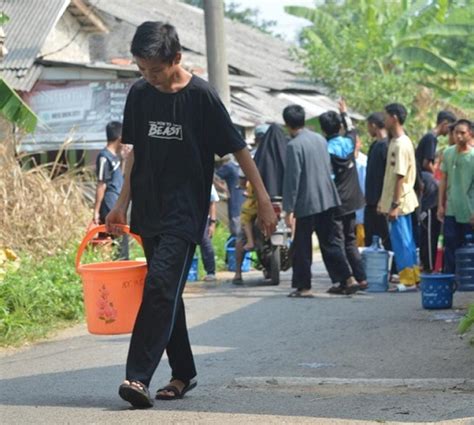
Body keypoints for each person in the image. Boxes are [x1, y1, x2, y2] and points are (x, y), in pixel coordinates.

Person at [105, 21, 277, 408]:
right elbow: (133, 155)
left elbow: (238, 149)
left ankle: (137, 376)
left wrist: (263, 199)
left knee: (161, 285)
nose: (147, 78)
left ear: (176, 59)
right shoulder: (139, 94)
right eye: (141, 70)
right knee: (168, 292)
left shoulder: (201, 97)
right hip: (148, 207)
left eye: (155, 71)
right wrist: (121, 204)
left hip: (185, 210)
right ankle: (183, 372)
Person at [282, 104, 358, 298]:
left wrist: (288, 210)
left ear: (287, 124)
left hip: (307, 202)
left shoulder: (294, 145)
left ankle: (303, 287)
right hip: (328, 198)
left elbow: (293, 179)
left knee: (302, 246)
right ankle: (347, 279)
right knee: (330, 241)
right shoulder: (319, 139)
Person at [319, 100, 367, 292]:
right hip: (353, 200)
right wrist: (344, 113)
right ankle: (361, 277)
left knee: (336, 241)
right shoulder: (349, 142)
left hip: (336, 202)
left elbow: (327, 177)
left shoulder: (325, 150)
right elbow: (352, 129)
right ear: (339, 126)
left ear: (323, 130)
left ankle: (346, 279)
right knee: (350, 239)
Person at [232, 123, 288, 284]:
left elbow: (243, 180)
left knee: (242, 234)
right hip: (283, 201)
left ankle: (237, 273)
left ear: (257, 139)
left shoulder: (251, 156)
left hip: (258, 203)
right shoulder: (286, 152)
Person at [378, 103, 419, 290]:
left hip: (400, 201)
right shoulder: (395, 142)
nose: (383, 120)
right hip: (398, 200)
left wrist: (394, 204)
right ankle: (412, 276)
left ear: (394, 117)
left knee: (402, 242)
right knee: (406, 240)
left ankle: (408, 280)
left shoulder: (401, 144)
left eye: (386, 116)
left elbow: (400, 176)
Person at [438, 119, 474, 274]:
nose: (459, 136)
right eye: (456, 133)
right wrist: (441, 204)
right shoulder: (448, 153)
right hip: (451, 207)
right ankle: (450, 277)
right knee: (450, 242)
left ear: (470, 134)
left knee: (468, 245)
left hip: (469, 208)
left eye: (462, 133)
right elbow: (443, 180)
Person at [93, 121, 129, 259]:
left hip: (117, 200)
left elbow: (121, 177)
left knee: (121, 240)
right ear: (120, 137)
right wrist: (96, 211)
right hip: (110, 203)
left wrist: (125, 159)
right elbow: (101, 184)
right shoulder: (104, 157)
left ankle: (122, 263)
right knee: (119, 238)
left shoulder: (115, 157)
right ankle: (120, 265)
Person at [364, 112, 391, 250]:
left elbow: (389, 175)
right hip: (371, 201)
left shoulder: (386, 146)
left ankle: (394, 269)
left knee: (387, 238)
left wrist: (383, 199)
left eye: (368, 126)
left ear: (373, 125)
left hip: (382, 202)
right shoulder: (375, 145)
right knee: (369, 239)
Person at [214, 155, 244, 236]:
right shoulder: (229, 166)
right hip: (235, 204)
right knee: (237, 233)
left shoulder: (244, 166)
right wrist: (224, 189)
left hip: (246, 204)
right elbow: (214, 177)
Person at [199, 184, 219, 282]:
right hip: (184, 218)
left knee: (206, 243)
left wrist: (213, 223)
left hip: (203, 219)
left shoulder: (206, 180)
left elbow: (212, 202)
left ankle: (210, 272)